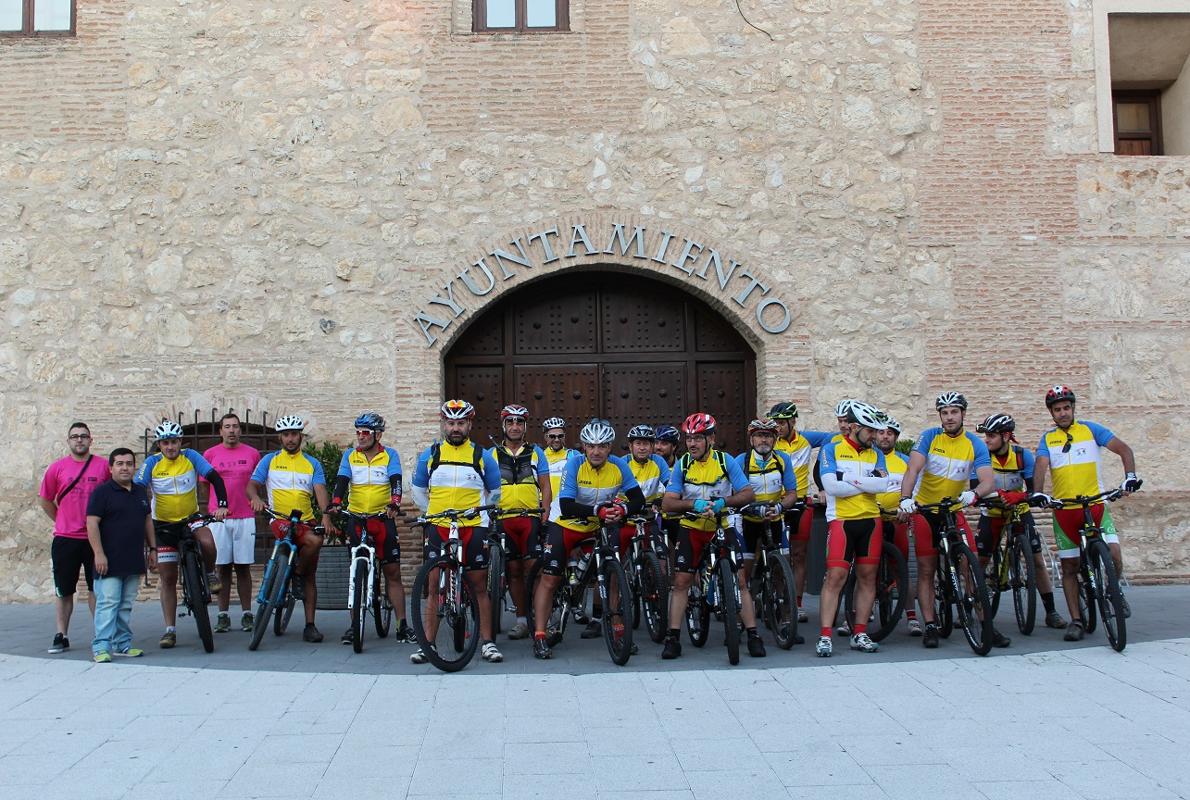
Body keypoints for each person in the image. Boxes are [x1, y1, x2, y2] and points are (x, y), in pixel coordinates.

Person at [896, 392, 1010, 649]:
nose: (949, 417)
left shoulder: (974, 444)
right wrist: (905, 498)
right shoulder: (929, 437)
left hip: (953, 509)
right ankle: (930, 625)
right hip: (926, 510)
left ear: (963, 414)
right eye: (944, 413)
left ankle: (985, 624)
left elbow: (988, 480)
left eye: (954, 412)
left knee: (969, 566)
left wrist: (974, 493)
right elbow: (912, 469)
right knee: (926, 569)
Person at [1031, 385, 1142, 641]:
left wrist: (1130, 478)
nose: (1062, 413)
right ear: (1051, 413)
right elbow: (1041, 466)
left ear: (1073, 408)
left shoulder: (1091, 430)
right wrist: (1038, 492)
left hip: (1095, 505)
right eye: (1057, 410)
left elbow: (1124, 450)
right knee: (1069, 567)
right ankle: (1077, 620)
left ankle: (1115, 592)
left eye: (1066, 408)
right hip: (1065, 510)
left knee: (1113, 552)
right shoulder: (1048, 439)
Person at [531, 419, 645, 659]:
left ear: (610, 447)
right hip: (564, 524)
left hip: (598, 527)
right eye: (591, 446)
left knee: (612, 575)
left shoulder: (618, 467)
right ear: (583, 446)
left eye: (602, 446)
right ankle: (540, 635)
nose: (596, 451)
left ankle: (617, 631)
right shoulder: (574, 465)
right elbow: (567, 505)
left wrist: (623, 510)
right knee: (550, 579)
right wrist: (598, 511)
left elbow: (638, 499)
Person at [411, 400, 504, 663]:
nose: (455, 428)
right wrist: (430, 511)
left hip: (472, 526)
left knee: (478, 585)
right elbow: (418, 489)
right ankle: (427, 644)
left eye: (460, 423)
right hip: (439, 525)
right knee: (432, 585)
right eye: (450, 423)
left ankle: (487, 642)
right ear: (443, 424)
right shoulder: (430, 455)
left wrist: (481, 512)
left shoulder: (481, 456)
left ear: (469, 425)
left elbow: (495, 492)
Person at [661, 412, 758, 660]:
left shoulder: (726, 462)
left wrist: (724, 501)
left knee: (741, 580)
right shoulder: (682, 464)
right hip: (692, 528)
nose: (691, 443)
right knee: (682, 581)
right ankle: (673, 637)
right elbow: (668, 503)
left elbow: (748, 494)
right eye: (689, 438)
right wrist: (692, 504)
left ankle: (753, 634)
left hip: (721, 526)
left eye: (698, 438)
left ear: (711, 439)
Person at [135, 420, 228, 649]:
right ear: (159, 444)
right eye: (165, 443)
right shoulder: (152, 462)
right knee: (167, 578)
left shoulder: (191, 456)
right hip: (163, 525)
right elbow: (138, 487)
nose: (170, 447)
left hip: (191, 518)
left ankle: (209, 573)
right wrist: (139, 511)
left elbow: (214, 476)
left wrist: (222, 504)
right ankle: (170, 630)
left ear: (180, 442)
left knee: (208, 542)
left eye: (174, 442)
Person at [973, 413, 1066, 630]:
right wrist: (990, 497)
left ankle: (1051, 611)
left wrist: (1021, 496)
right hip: (993, 511)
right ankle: (972, 606)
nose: (987, 440)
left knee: (1036, 560)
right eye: (986, 435)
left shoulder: (1023, 456)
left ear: (1006, 436)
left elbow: (1033, 488)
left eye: (992, 436)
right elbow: (974, 487)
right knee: (981, 562)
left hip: (1018, 510)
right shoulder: (982, 457)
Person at [815, 402, 893, 657]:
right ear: (856, 427)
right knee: (835, 578)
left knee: (868, 577)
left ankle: (860, 632)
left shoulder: (876, 453)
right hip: (842, 521)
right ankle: (825, 635)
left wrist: (849, 479)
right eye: (871, 431)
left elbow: (883, 485)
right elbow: (831, 487)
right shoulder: (831, 449)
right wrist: (866, 484)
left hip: (871, 521)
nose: (876, 437)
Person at [247, 415, 333, 643]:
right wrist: (255, 497)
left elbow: (320, 491)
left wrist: (326, 516)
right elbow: (252, 485)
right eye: (286, 434)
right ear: (280, 437)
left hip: (306, 520)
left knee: (310, 571)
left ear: (300, 436)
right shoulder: (270, 461)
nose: (290, 438)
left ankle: (310, 625)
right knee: (310, 543)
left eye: (294, 434)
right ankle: (290, 575)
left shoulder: (312, 463)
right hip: (280, 520)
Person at [331, 412, 410, 644]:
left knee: (393, 573)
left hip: (381, 520)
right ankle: (354, 626)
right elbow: (342, 481)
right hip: (356, 519)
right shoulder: (350, 456)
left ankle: (402, 625)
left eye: (365, 433)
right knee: (355, 573)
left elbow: (396, 481)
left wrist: (395, 503)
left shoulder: (390, 455)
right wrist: (336, 502)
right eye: (358, 432)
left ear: (377, 434)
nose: (360, 437)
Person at [38, 422, 111, 654]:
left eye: (83, 436)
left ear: (91, 440)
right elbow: (45, 499)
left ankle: (101, 633)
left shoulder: (102, 467)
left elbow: (111, 497)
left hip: (96, 539)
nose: (79, 440)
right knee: (64, 589)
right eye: (74, 437)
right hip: (65, 538)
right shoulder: (56, 468)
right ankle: (62, 634)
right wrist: (61, 519)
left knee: (96, 588)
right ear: (68, 441)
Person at [488, 404, 551, 640]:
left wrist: (545, 511)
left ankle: (540, 620)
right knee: (513, 571)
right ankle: (522, 620)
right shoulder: (491, 454)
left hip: (530, 518)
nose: (515, 427)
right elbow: (487, 487)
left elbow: (545, 485)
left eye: (519, 423)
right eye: (510, 422)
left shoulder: (536, 452)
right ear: (503, 425)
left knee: (534, 570)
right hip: (504, 518)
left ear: (525, 427)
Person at [85, 448, 155, 662]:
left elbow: (147, 520)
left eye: (129, 463)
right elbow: (91, 523)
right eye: (120, 463)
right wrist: (99, 554)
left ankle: (122, 644)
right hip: (108, 560)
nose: (125, 467)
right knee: (108, 603)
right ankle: (101, 647)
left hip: (133, 560)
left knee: (125, 604)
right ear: (111, 467)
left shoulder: (140, 492)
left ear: (135, 466)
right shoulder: (102, 493)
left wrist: (153, 549)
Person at [734, 418, 799, 641]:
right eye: (760, 435)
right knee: (745, 573)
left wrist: (781, 505)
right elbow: (735, 493)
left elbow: (791, 492)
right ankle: (740, 622)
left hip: (774, 518)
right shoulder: (741, 461)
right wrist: (747, 508)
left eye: (769, 436)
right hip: (748, 521)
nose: (764, 440)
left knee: (782, 571)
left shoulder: (783, 460)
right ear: (752, 439)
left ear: (775, 439)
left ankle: (787, 621)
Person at [767, 402, 832, 623]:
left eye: (782, 422)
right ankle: (773, 596)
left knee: (799, 554)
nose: (778, 426)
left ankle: (796, 603)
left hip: (800, 503)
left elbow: (831, 439)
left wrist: (821, 476)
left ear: (793, 421)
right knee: (775, 554)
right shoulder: (769, 442)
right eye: (775, 422)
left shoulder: (806, 439)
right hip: (775, 502)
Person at [202, 413, 261, 634]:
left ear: (240, 430)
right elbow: (204, 485)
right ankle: (223, 615)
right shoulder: (210, 454)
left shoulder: (253, 454)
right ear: (220, 431)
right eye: (227, 427)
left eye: (235, 426)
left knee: (244, 567)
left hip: (245, 517)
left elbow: (257, 484)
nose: (231, 430)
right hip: (220, 519)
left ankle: (247, 613)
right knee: (222, 568)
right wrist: (212, 508)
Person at [872, 412, 920, 635]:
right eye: (881, 432)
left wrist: (907, 508)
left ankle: (911, 615)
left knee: (901, 569)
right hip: (871, 518)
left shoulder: (905, 461)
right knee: (864, 568)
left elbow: (916, 488)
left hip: (897, 518)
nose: (885, 437)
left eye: (889, 433)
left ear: (895, 437)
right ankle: (854, 613)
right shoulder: (867, 457)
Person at [541, 417, 574, 521]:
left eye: (560, 436)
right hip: (544, 507)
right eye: (552, 436)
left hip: (566, 507)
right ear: (545, 437)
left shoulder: (573, 455)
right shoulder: (539, 456)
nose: (556, 440)